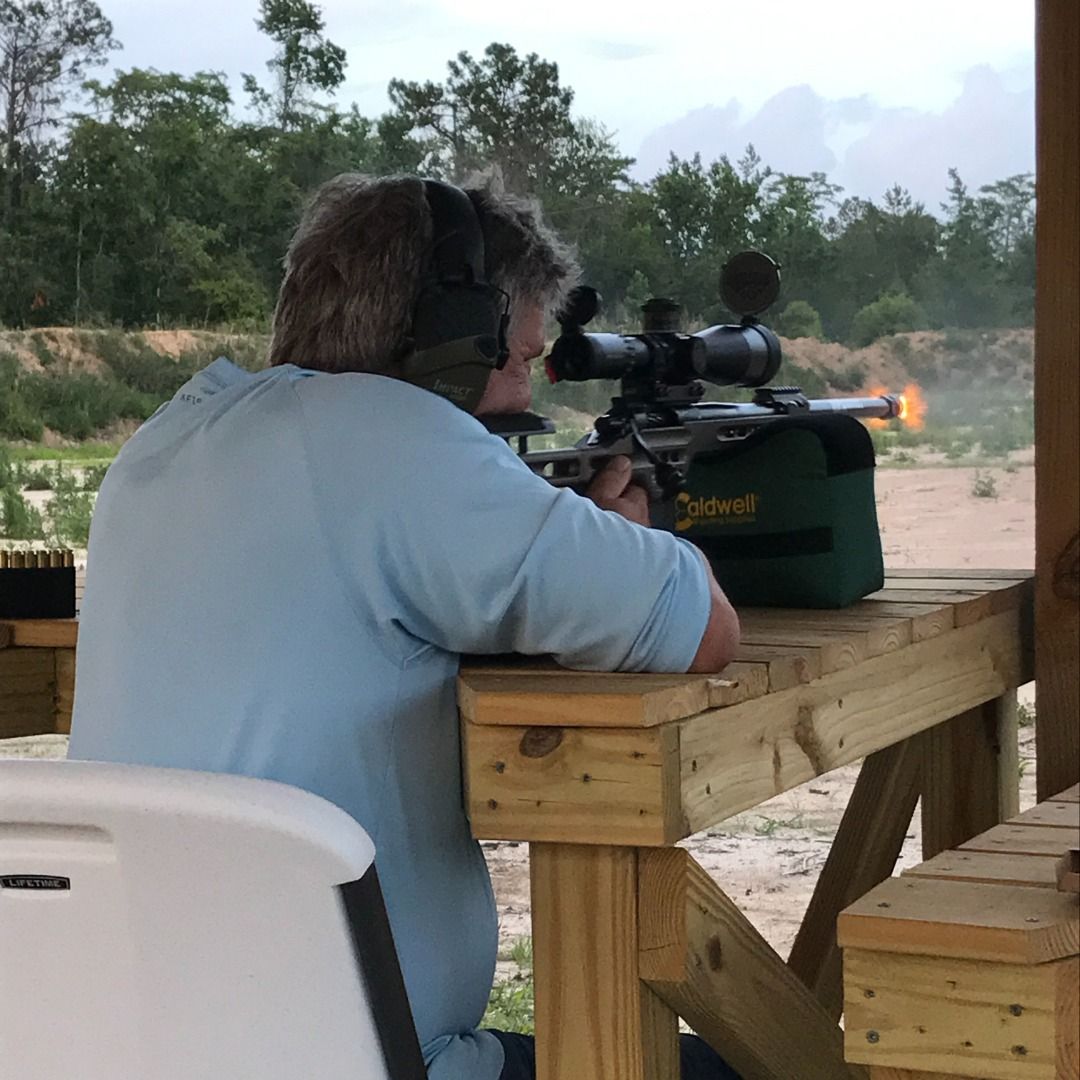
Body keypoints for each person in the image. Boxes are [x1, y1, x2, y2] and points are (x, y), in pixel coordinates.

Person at [68, 173, 740, 1079]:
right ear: (460, 334)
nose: (530, 384)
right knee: (750, 1063)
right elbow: (702, 628)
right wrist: (621, 535)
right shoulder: (390, 440)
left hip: (139, 1042)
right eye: (523, 355)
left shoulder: (161, 444)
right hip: (373, 1059)